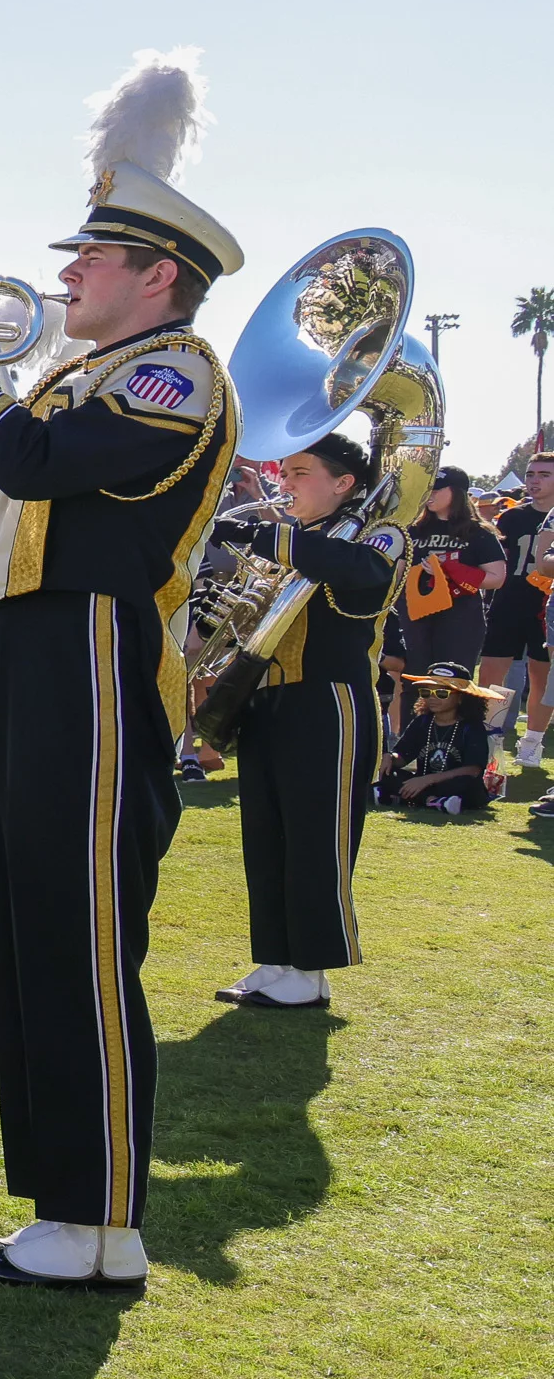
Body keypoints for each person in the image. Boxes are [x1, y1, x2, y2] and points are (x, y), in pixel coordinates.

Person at [0, 50, 243, 1292]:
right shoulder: (79, 373)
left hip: (96, 655)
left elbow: (32, 462)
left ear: (160, 275)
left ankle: (105, 1222)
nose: (68, 272)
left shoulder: (175, 371)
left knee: (81, 939)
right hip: (34, 655)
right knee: (33, 930)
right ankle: (65, 1215)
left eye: (94, 256)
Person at [208, 433, 406, 1011]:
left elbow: (359, 571)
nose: (284, 483)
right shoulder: (299, 542)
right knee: (266, 837)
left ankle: (312, 969)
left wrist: (263, 535)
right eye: (284, 472)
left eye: (299, 473)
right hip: (268, 701)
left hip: (328, 704)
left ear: (343, 483)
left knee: (317, 838)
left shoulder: (380, 534)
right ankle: (276, 959)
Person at [389, 467, 500, 733]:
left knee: (454, 681)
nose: (430, 494)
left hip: (460, 616)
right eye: (428, 488)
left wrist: (454, 570)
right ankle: (410, 743)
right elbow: (397, 574)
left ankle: (455, 742)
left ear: (457, 492)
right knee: (415, 679)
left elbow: (497, 577)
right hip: (415, 614)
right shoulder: (413, 530)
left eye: (437, 489)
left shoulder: (478, 532)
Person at [474, 451, 552, 764]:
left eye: (544, 475)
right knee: (492, 673)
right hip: (509, 600)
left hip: (545, 604)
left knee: (541, 677)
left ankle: (532, 742)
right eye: (531, 474)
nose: (534, 480)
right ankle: (487, 737)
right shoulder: (512, 517)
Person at [378, 664, 498, 816]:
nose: (432, 697)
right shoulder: (422, 722)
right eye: (426, 692)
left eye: (442, 693)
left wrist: (428, 779)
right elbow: (402, 756)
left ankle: (402, 797)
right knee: (388, 773)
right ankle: (435, 801)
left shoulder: (471, 727)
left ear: (461, 697)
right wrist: (389, 757)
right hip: (423, 783)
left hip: (449, 783)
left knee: (468, 783)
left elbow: (473, 770)